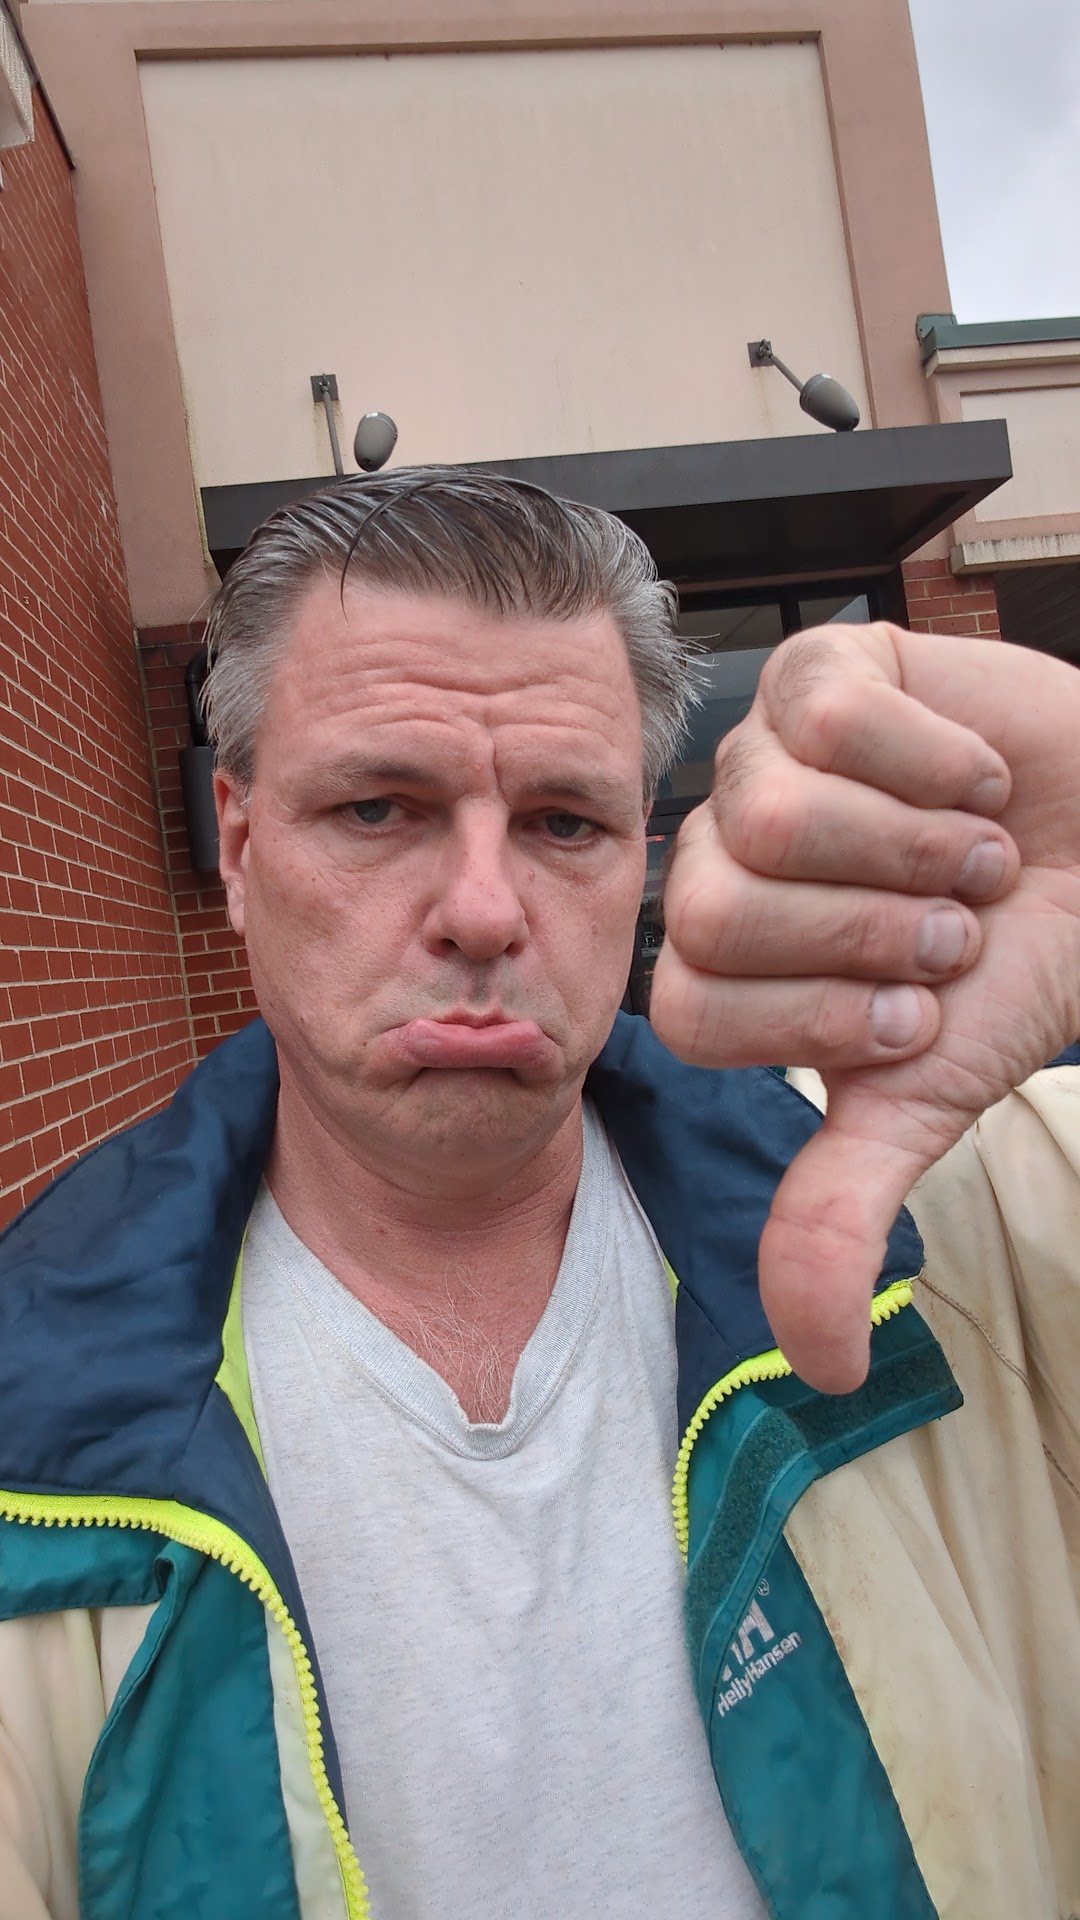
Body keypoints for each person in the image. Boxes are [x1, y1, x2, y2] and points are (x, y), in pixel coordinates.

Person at [0, 469, 1076, 1920]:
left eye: (565, 821)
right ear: (241, 849)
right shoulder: (37, 1433)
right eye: (378, 807)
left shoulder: (956, 1232)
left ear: (642, 858)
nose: (485, 911)